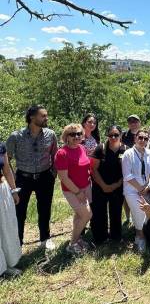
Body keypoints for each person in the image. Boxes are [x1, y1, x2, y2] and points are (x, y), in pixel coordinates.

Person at [6, 105, 58, 249]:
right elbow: (6, 160)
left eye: (46, 115)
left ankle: (45, 239)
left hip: (45, 176)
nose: (46, 118)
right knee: (19, 211)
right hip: (23, 178)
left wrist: (53, 174)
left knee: (45, 209)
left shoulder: (51, 134)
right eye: (43, 116)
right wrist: (12, 179)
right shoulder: (16, 136)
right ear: (32, 117)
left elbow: (55, 154)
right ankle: (18, 243)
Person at [55, 124, 92, 255]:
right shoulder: (62, 153)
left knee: (79, 214)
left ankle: (77, 239)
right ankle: (72, 245)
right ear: (66, 137)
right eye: (72, 134)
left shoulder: (82, 148)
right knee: (87, 214)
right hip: (72, 190)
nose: (76, 136)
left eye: (79, 134)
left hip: (86, 187)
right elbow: (63, 177)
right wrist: (78, 192)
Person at [90, 125, 126, 245]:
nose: (113, 137)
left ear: (121, 135)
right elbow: (94, 169)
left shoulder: (126, 150)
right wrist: (104, 186)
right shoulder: (100, 148)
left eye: (116, 135)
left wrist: (116, 185)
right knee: (99, 212)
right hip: (100, 186)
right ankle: (100, 238)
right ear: (107, 136)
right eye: (111, 135)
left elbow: (128, 171)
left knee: (116, 211)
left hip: (118, 186)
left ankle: (115, 236)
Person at [121, 128, 150, 253]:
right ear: (135, 138)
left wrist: (148, 186)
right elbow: (127, 175)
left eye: (145, 138)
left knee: (148, 212)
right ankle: (140, 237)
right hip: (132, 189)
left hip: (147, 188)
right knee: (139, 211)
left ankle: (142, 234)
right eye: (140, 137)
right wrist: (140, 188)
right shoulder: (128, 154)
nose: (143, 140)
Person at [0, 142, 22, 276]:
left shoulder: (1, 146)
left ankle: (7, 265)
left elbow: (7, 169)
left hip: (2, 191)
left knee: (6, 228)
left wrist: (14, 191)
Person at [121, 115, 141, 226]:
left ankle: (138, 215)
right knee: (126, 193)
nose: (133, 123)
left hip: (140, 168)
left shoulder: (143, 134)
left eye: (135, 121)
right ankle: (128, 217)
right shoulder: (123, 135)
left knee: (139, 191)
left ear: (139, 122)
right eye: (130, 121)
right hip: (126, 167)